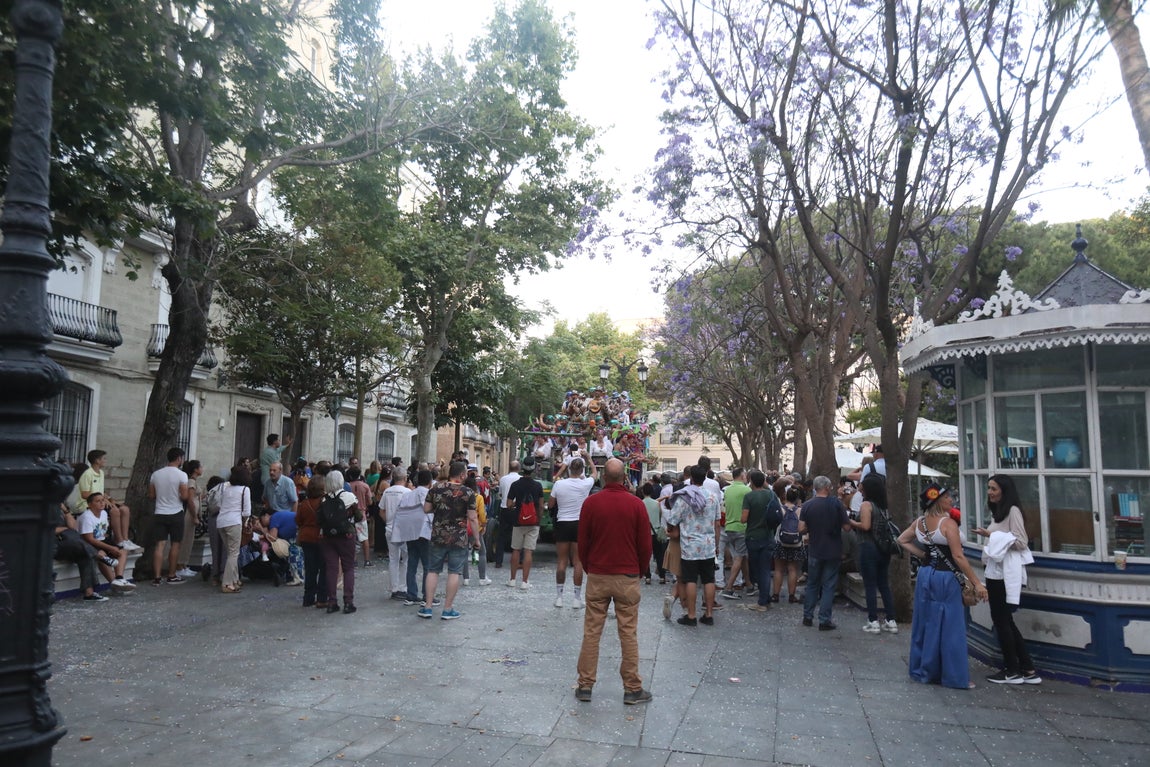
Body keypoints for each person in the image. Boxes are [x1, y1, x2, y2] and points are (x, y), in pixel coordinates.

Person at [574, 459, 653, 706]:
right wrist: (639, 571)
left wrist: (590, 568)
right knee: (628, 632)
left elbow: (583, 542)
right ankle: (632, 688)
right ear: (624, 479)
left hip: (598, 574)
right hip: (627, 576)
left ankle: (585, 685)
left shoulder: (591, 504)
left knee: (591, 631)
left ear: (603, 478)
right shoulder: (636, 504)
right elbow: (645, 545)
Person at [898, 482, 988, 689]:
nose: (951, 500)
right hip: (946, 577)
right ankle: (953, 676)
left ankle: (925, 669)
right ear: (938, 500)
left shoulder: (919, 522)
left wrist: (923, 555)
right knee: (950, 625)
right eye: (947, 497)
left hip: (926, 574)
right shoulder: (948, 524)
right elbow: (958, 556)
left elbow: (902, 540)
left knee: (926, 621)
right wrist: (976, 583)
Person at [975, 474, 1041, 685]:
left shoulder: (1012, 511)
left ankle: (1012, 669)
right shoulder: (999, 512)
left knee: (1002, 621)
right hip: (995, 572)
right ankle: (1027, 668)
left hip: (1003, 574)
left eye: (993, 488)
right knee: (1005, 621)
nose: (990, 492)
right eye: (989, 488)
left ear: (1004, 490)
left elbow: (1021, 541)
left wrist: (991, 536)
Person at [417, 461, 481, 620]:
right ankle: (447, 609)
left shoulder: (436, 488)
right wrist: (477, 539)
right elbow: (472, 518)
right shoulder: (468, 492)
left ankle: (428, 607)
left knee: (433, 570)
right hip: (458, 538)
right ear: (462, 475)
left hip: (438, 535)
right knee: (454, 572)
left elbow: (426, 509)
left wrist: (438, 508)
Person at [665, 465, 719, 627]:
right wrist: (716, 544)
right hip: (708, 545)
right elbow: (717, 523)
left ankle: (691, 615)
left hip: (690, 546)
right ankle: (708, 614)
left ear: (691, 478)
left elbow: (672, 520)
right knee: (709, 579)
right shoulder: (712, 497)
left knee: (690, 580)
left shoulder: (685, 498)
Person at [848, 473, 898, 634]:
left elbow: (865, 526)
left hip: (868, 547)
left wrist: (851, 521)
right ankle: (891, 619)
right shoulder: (883, 506)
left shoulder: (866, 505)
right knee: (883, 584)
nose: (861, 490)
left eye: (863, 487)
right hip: (883, 549)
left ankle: (873, 620)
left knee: (870, 584)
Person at [799, 476, 851, 630]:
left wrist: (812, 527)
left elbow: (801, 529)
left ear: (815, 487)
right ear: (827, 487)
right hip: (833, 550)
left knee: (812, 584)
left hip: (815, 549)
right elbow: (847, 528)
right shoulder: (836, 504)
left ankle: (807, 616)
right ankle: (824, 620)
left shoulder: (807, 505)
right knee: (829, 586)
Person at [549, 455, 596, 607]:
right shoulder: (585, 484)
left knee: (561, 561)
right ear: (582, 470)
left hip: (563, 522)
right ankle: (576, 598)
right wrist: (589, 458)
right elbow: (595, 473)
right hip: (579, 523)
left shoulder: (559, 484)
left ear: (569, 469)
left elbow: (550, 504)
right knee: (578, 562)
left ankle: (558, 597)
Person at [75, 449, 140, 551]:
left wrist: (109, 499)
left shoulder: (101, 473)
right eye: (104, 459)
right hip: (88, 504)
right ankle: (119, 540)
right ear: (97, 460)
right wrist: (102, 500)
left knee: (125, 509)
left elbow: (101, 491)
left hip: (100, 501)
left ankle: (126, 539)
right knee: (115, 511)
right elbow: (85, 494)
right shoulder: (87, 474)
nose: (105, 461)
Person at [319, 470, 362, 614]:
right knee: (348, 568)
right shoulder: (349, 497)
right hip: (346, 535)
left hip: (328, 537)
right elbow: (359, 516)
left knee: (331, 569)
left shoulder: (324, 500)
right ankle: (348, 602)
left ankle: (331, 601)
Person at [393, 469, 436, 607]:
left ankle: (411, 595)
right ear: (430, 482)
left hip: (409, 533)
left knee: (412, 564)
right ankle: (427, 595)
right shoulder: (429, 494)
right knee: (427, 566)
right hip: (424, 533)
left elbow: (401, 513)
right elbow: (431, 513)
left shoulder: (408, 495)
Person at [77, 492, 135, 592]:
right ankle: (113, 584)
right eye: (98, 501)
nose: (102, 503)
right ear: (90, 504)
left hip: (101, 539)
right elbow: (89, 539)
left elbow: (103, 533)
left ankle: (119, 579)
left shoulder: (103, 513)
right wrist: (110, 548)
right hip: (89, 543)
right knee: (102, 556)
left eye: (103, 500)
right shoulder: (87, 517)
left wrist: (112, 546)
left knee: (122, 551)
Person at [148, 447, 190, 585]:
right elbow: (184, 496)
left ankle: (157, 577)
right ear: (179, 458)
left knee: (159, 545)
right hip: (176, 512)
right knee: (175, 544)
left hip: (160, 512)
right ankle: (171, 575)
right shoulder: (182, 475)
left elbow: (151, 495)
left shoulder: (156, 474)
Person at [742, 469, 781, 612]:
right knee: (765, 568)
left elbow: (744, 518)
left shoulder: (749, 497)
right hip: (768, 535)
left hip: (753, 536)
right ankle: (765, 598)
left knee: (757, 569)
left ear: (751, 481)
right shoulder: (771, 494)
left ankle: (762, 601)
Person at [506, 456, 544, 590]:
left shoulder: (515, 485)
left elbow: (509, 504)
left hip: (518, 521)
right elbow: (540, 505)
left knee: (516, 549)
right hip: (533, 522)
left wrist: (517, 505)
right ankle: (525, 581)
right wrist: (539, 518)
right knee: (528, 551)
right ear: (533, 469)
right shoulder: (537, 485)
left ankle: (512, 579)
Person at [215, 465, 252, 594]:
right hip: (234, 522)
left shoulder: (226, 488)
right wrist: (244, 522)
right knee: (234, 553)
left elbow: (220, 504)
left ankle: (235, 579)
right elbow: (247, 511)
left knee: (231, 552)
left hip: (221, 522)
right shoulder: (245, 490)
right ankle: (227, 583)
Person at [720, 468, 752, 600]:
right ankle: (728, 588)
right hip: (742, 527)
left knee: (742, 556)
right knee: (739, 557)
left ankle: (749, 585)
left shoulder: (728, 490)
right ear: (742, 475)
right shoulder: (746, 490)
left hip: (729, 526)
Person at [771, 484, 805, 603]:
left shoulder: (780, 509)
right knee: (793, 569)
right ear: (797, 498)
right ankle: (792, 595)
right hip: (796, 543)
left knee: (778, 569)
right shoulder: (800, 511)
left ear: (785, 496)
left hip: (781, 542)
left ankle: (775, 594)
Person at [381, 469, 411, 600]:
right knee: (406, 559)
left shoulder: (387, 491)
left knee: (393, 559)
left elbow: (381, 511)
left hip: (390, 528)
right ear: (405, 478)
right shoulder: (408, 492)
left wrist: (388, 521)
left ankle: (394, 588)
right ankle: (403, 587)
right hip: (404, 529)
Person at [174, 459, 203, 579]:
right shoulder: (191, 482)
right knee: (185, 540)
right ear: (195, 469)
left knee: (189, 540)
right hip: (189, 515)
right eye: (200, 467)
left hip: (192, 514)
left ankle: (184, 565)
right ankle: (179, 566)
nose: (202, 469)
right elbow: (190, 499)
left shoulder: (194, 482)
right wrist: (194, 516)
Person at [494, 460, 520, 568]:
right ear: (518, 468)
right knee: (517, 535)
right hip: (515, 509)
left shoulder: (503, 479)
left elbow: (500, 493)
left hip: (504, 508)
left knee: (501, 536)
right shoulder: (520, 479)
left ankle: (498, 561)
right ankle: (516, 560)